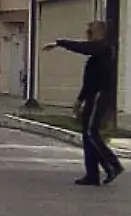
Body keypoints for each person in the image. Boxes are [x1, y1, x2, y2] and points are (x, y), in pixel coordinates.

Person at [45, 21, 123, 186]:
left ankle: (112, 165)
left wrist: (60, 43)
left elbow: (85, 48)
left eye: (90, 31)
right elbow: (89, 81)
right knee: (86, 135)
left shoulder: (103, 48)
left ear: (100, 32)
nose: (87, 34)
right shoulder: (96, 54)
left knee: (90, 132)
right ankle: (92, 174)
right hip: (92, 95)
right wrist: (80, 100)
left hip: (100, 96)